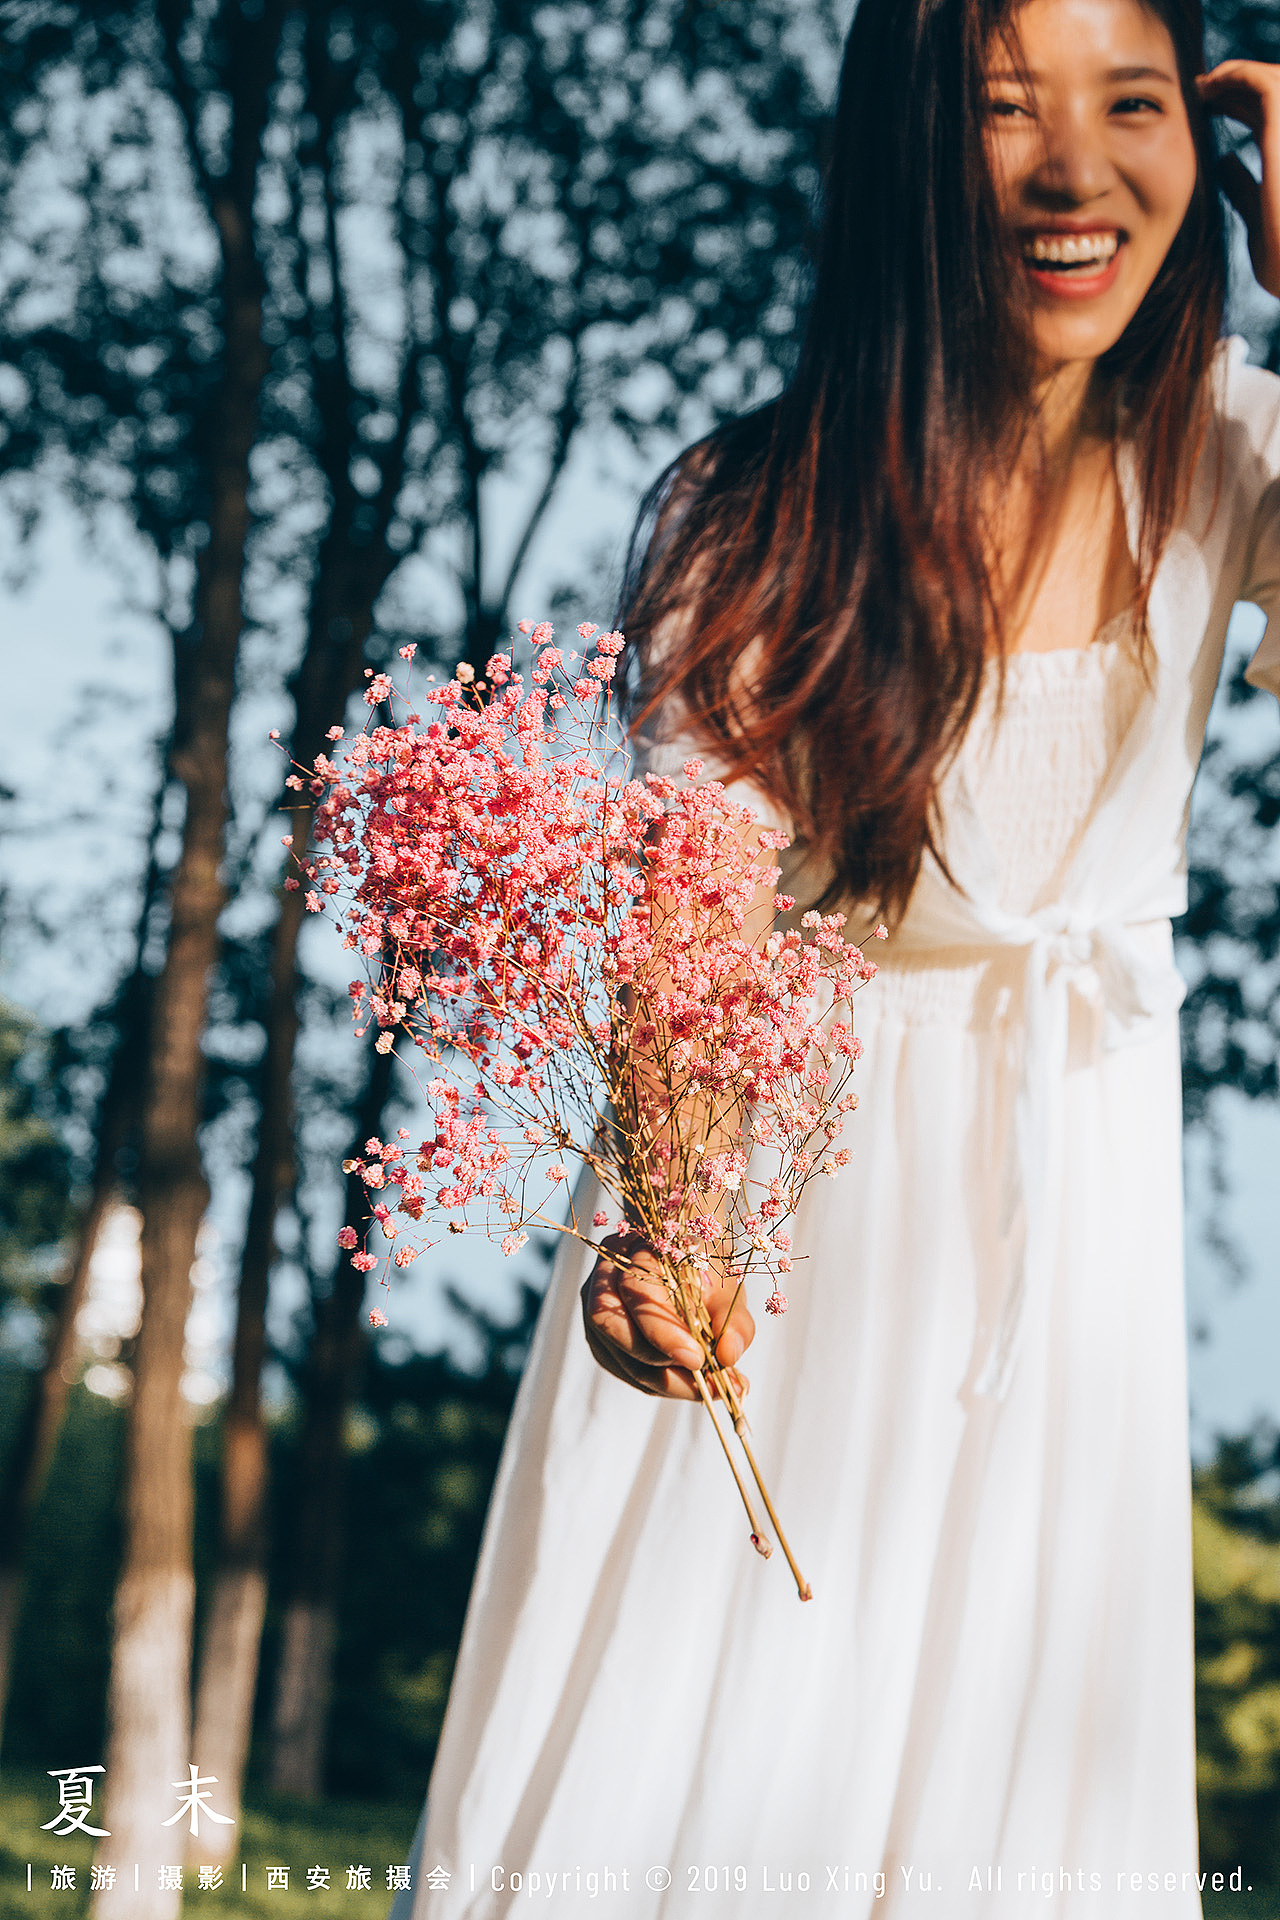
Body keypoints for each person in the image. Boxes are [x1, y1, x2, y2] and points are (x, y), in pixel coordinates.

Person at [392, 1, 1280, 1913]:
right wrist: (680, 1228)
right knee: (711, 1756)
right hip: (797, 1210)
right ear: (905, 151)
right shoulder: (764, 513)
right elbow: (696, 900)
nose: (1073, 167)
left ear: (1206, 149)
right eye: (1000, 109)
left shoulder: (1230, 462)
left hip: (1075, 1204)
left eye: (1134, 106)